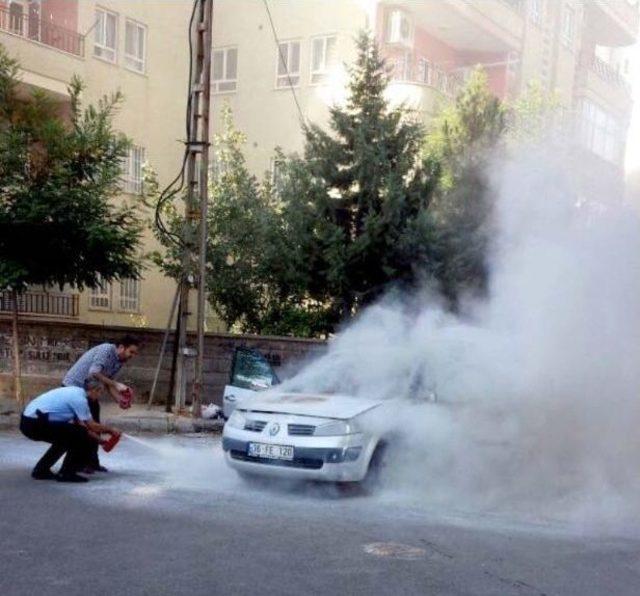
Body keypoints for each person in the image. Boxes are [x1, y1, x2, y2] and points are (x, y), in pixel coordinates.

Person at [62, 335, 139, 472]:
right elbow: (94, 372)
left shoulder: (119, 361)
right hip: (73, 389)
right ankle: (78, 464)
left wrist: (119, 400)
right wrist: (117, 384)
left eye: (134, 353)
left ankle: (92, 462)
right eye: (131, 352)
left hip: (89, 393)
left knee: (95, 424)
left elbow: (106, 381)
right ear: (121, 347)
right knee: (83, 428)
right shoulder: (105, 350)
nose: (132, 355)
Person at [20, 379, 120, 483]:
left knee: (67, 437)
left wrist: (100, 440)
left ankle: (41, 471)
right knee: (79, 436)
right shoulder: (79, 400)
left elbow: (81, 425)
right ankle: (67, 473)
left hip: (29, 422)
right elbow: (92, 426)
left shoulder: (75, 392)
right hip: (34, 423)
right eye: (100, 392)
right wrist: (111, 430)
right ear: (94, 390)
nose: (100, 396)